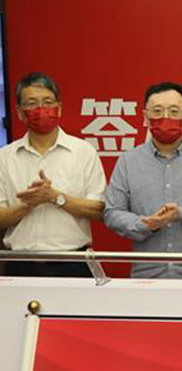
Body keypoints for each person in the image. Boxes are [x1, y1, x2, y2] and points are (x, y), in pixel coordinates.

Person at [104, 82, 182, 279]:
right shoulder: (128, 161)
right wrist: (146, 224)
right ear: (145, 117)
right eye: (157, 111)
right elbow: (112, 213)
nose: (166, 118)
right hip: (148, 275)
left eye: (174, 111)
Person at [0, 72, 106, 277]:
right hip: (20, 264)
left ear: (59, 108)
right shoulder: (4, 157)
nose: (41, 109)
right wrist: (28, 205)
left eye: (48, 102)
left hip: (73, 262)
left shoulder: (83, 151)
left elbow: (99, 210)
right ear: (20, 112)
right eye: (32, 103)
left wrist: (54, 197)